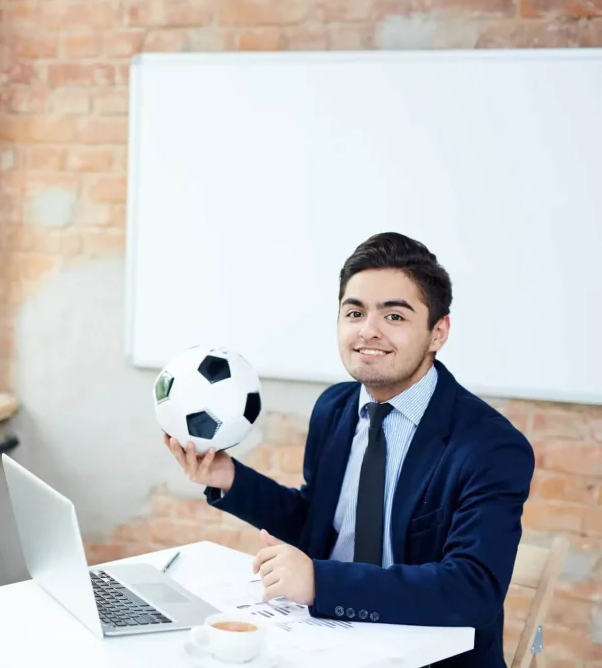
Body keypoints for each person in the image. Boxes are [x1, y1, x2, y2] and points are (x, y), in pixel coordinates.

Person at [165, 232, 534, 668]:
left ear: (438, 332)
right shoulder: (334, 408)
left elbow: (473, 590)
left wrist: (320, 582)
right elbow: (318, 524)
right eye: (355, 312)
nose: (367, 330)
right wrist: (230, 478)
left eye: (394, 316)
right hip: (325, 642)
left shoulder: (491, 446)